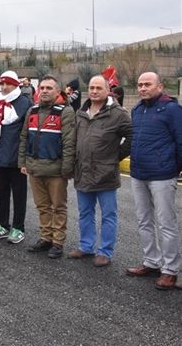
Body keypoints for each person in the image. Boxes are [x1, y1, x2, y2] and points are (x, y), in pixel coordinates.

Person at [126, 72, 182, 290]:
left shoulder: (172, 110)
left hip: (162, 175)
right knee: (144, 221)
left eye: (147, 84)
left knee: (166, 224)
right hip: (139, 174)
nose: (142, 88)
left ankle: (170, 270)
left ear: (160, 85)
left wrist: (173, 168)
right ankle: (151, 262)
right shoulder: (137, 110)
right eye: (139, 85)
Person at [69, 75, 132, 267]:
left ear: (107, 90)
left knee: (108, 215)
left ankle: (105, 251)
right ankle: (86, 246)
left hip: (106, 174)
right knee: (85, 212)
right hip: (83, 171)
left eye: (98, 88)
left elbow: (132, 136)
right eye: (91, 87)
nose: (94, 91)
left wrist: (116, 157)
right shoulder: (81, 112)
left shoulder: (119, 114)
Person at [19, 76, 75, 259]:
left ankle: (58, 242)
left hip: (56, 169)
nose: (44, 91)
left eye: (49, 88)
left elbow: (69, 143)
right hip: (35, 168)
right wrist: (22, 162)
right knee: (42, 206)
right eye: (42, 87)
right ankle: (45, 238)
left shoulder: (65, 112)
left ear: (58, 92)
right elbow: (24, 138)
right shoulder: (32, 110)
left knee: (58, 206)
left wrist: (67, 168)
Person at [0, 70, 33, 244]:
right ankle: (2, 225)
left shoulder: (24, 102)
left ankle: (18, 228)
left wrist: (25, 156)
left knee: (19, 195)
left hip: (16, 157)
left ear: (15, 84)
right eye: (2, 84)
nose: (4, 87)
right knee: (2, 193)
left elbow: (28, 132)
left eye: (8, 84)